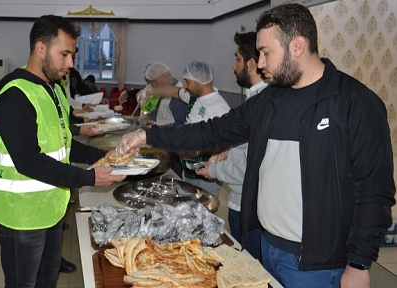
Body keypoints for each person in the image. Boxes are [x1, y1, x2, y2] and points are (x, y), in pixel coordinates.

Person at [117, 4, 395, 288]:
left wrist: (359, 264)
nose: (259, 63)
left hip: (317, 266)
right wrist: (148, 137)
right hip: (263, 246)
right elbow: (212, 131)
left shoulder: (356, 104)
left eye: (266, 52)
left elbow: (376, 191)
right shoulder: (268, 101)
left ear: (297, 46)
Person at [0, 15, 126, 287]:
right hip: (22, 217)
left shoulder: (52, 89)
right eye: (64, 54)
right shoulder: (15, 95)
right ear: (41, 48)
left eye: (72, 55)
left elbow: (63, 144)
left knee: (47, 279)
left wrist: (101, 156)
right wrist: (90, 178)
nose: (71, 63)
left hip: (51, 209)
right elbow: (28, 161)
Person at [194, 32, 268, 261]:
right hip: (239, 201)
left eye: (237, 59)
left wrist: (213, 170)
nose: (233, 65)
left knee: (252, 268)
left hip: (251, 208)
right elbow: (245, 147)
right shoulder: (253, 97)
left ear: (252, 64)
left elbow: (252, 166)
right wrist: (225, 153)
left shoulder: (262, 103)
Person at [139, 60, 230, 199]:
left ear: (200, 81)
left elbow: (224, 144)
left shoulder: (219, 108)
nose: (184, 86)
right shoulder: (194, 97)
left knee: (205, 209)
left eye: (187, 81)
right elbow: (174, 91)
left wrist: (195, 150)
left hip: (207, 171)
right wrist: (149, 91)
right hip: (190, 169)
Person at [138, 62, 188, 127]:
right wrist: (149, 116)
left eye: (154, 81)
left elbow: (180, 125)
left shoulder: (179, 96)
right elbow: (162, 111)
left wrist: (156, 128)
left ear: (163, 77)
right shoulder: (164, 90)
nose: (153, 85)